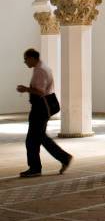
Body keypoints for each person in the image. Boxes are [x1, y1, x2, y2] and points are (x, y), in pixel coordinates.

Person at [16, 48, 72, 178]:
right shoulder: (40, 67)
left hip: (41, 107)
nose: (25, 62)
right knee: (38, 137)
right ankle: (39, 166)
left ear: (32, 58)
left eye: (26, 59)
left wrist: (25, 89)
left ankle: (38, 167)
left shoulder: (40, 70)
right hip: (40, 107)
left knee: (33, 139)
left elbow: (40, 91)